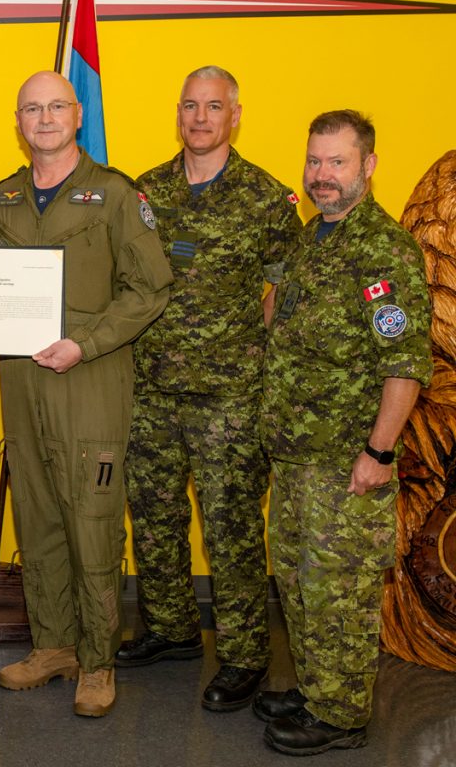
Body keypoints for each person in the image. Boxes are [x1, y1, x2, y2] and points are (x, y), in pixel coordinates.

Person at [0, 71, 172, 717]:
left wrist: (84, 342)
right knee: (37, 516)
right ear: (19, 120)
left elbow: (150, 289)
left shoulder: (115, 195)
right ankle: (54, 644)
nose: (44, 118)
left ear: (77, 115)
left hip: (89, 376)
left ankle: (97, 660)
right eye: (32, 108)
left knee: (91, 522)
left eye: (56, 106)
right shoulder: (2, 199)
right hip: (22, 378)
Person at [117, 66, 301, 711]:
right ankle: (170, 628)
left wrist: (250, 345)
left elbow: (289, 286)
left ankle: (246, 654)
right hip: (152, 388)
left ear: (235, 115)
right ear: (179, 113)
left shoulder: (266, 197)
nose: (200, 118)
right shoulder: (145, 192)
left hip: (229, 397)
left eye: (213, 106)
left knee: (230, 526)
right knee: (156, 516)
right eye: (191, 106)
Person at [259, 110, 431, 755]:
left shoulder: (382, 250)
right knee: (301, 585)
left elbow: (405, 361)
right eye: (314, 161)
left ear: (368, 166)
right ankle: (316, 687)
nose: (321, 176)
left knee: (341, 591)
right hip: (299, 456)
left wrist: (378, 451)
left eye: (336, 162)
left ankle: (342, 715)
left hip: (346, 461)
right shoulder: (315, 237)